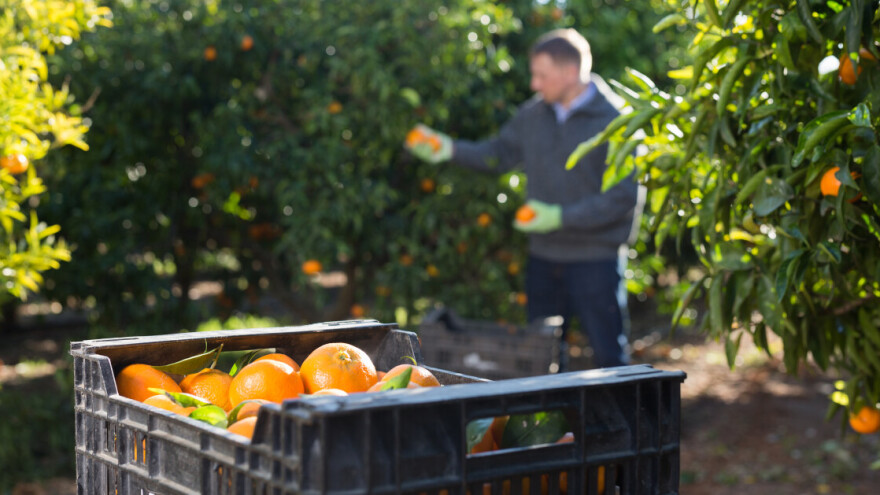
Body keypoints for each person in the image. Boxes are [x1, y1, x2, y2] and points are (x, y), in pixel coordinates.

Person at [404, 28, 642, 369]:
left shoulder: (616, 121)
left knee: (608, 355)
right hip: (543, 258)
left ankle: (629, 424)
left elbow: (622, 198)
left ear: (570, 72)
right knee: (541, 356)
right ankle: (556, 424)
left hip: (595, 260)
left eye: (541, 75)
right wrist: (449, 149)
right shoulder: (533, 115)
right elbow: (497, 154)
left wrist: (561, 216)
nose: (534, 84)